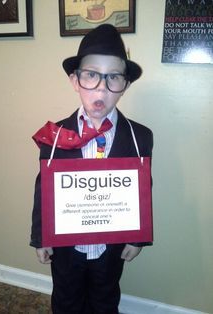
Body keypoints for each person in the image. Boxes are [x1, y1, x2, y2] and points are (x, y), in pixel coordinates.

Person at [30, 24, 153, 314]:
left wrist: (138, 237)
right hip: (66, 248)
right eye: (91, 75)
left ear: (125, 84)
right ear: (75, 80)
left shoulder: (140, 137)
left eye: (113, 77)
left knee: (105, 300)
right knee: (66, 300)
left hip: (110, 248)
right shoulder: (55, 134)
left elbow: (142, 188)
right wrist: (40, 237)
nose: (101, 87)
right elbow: (42, 190)